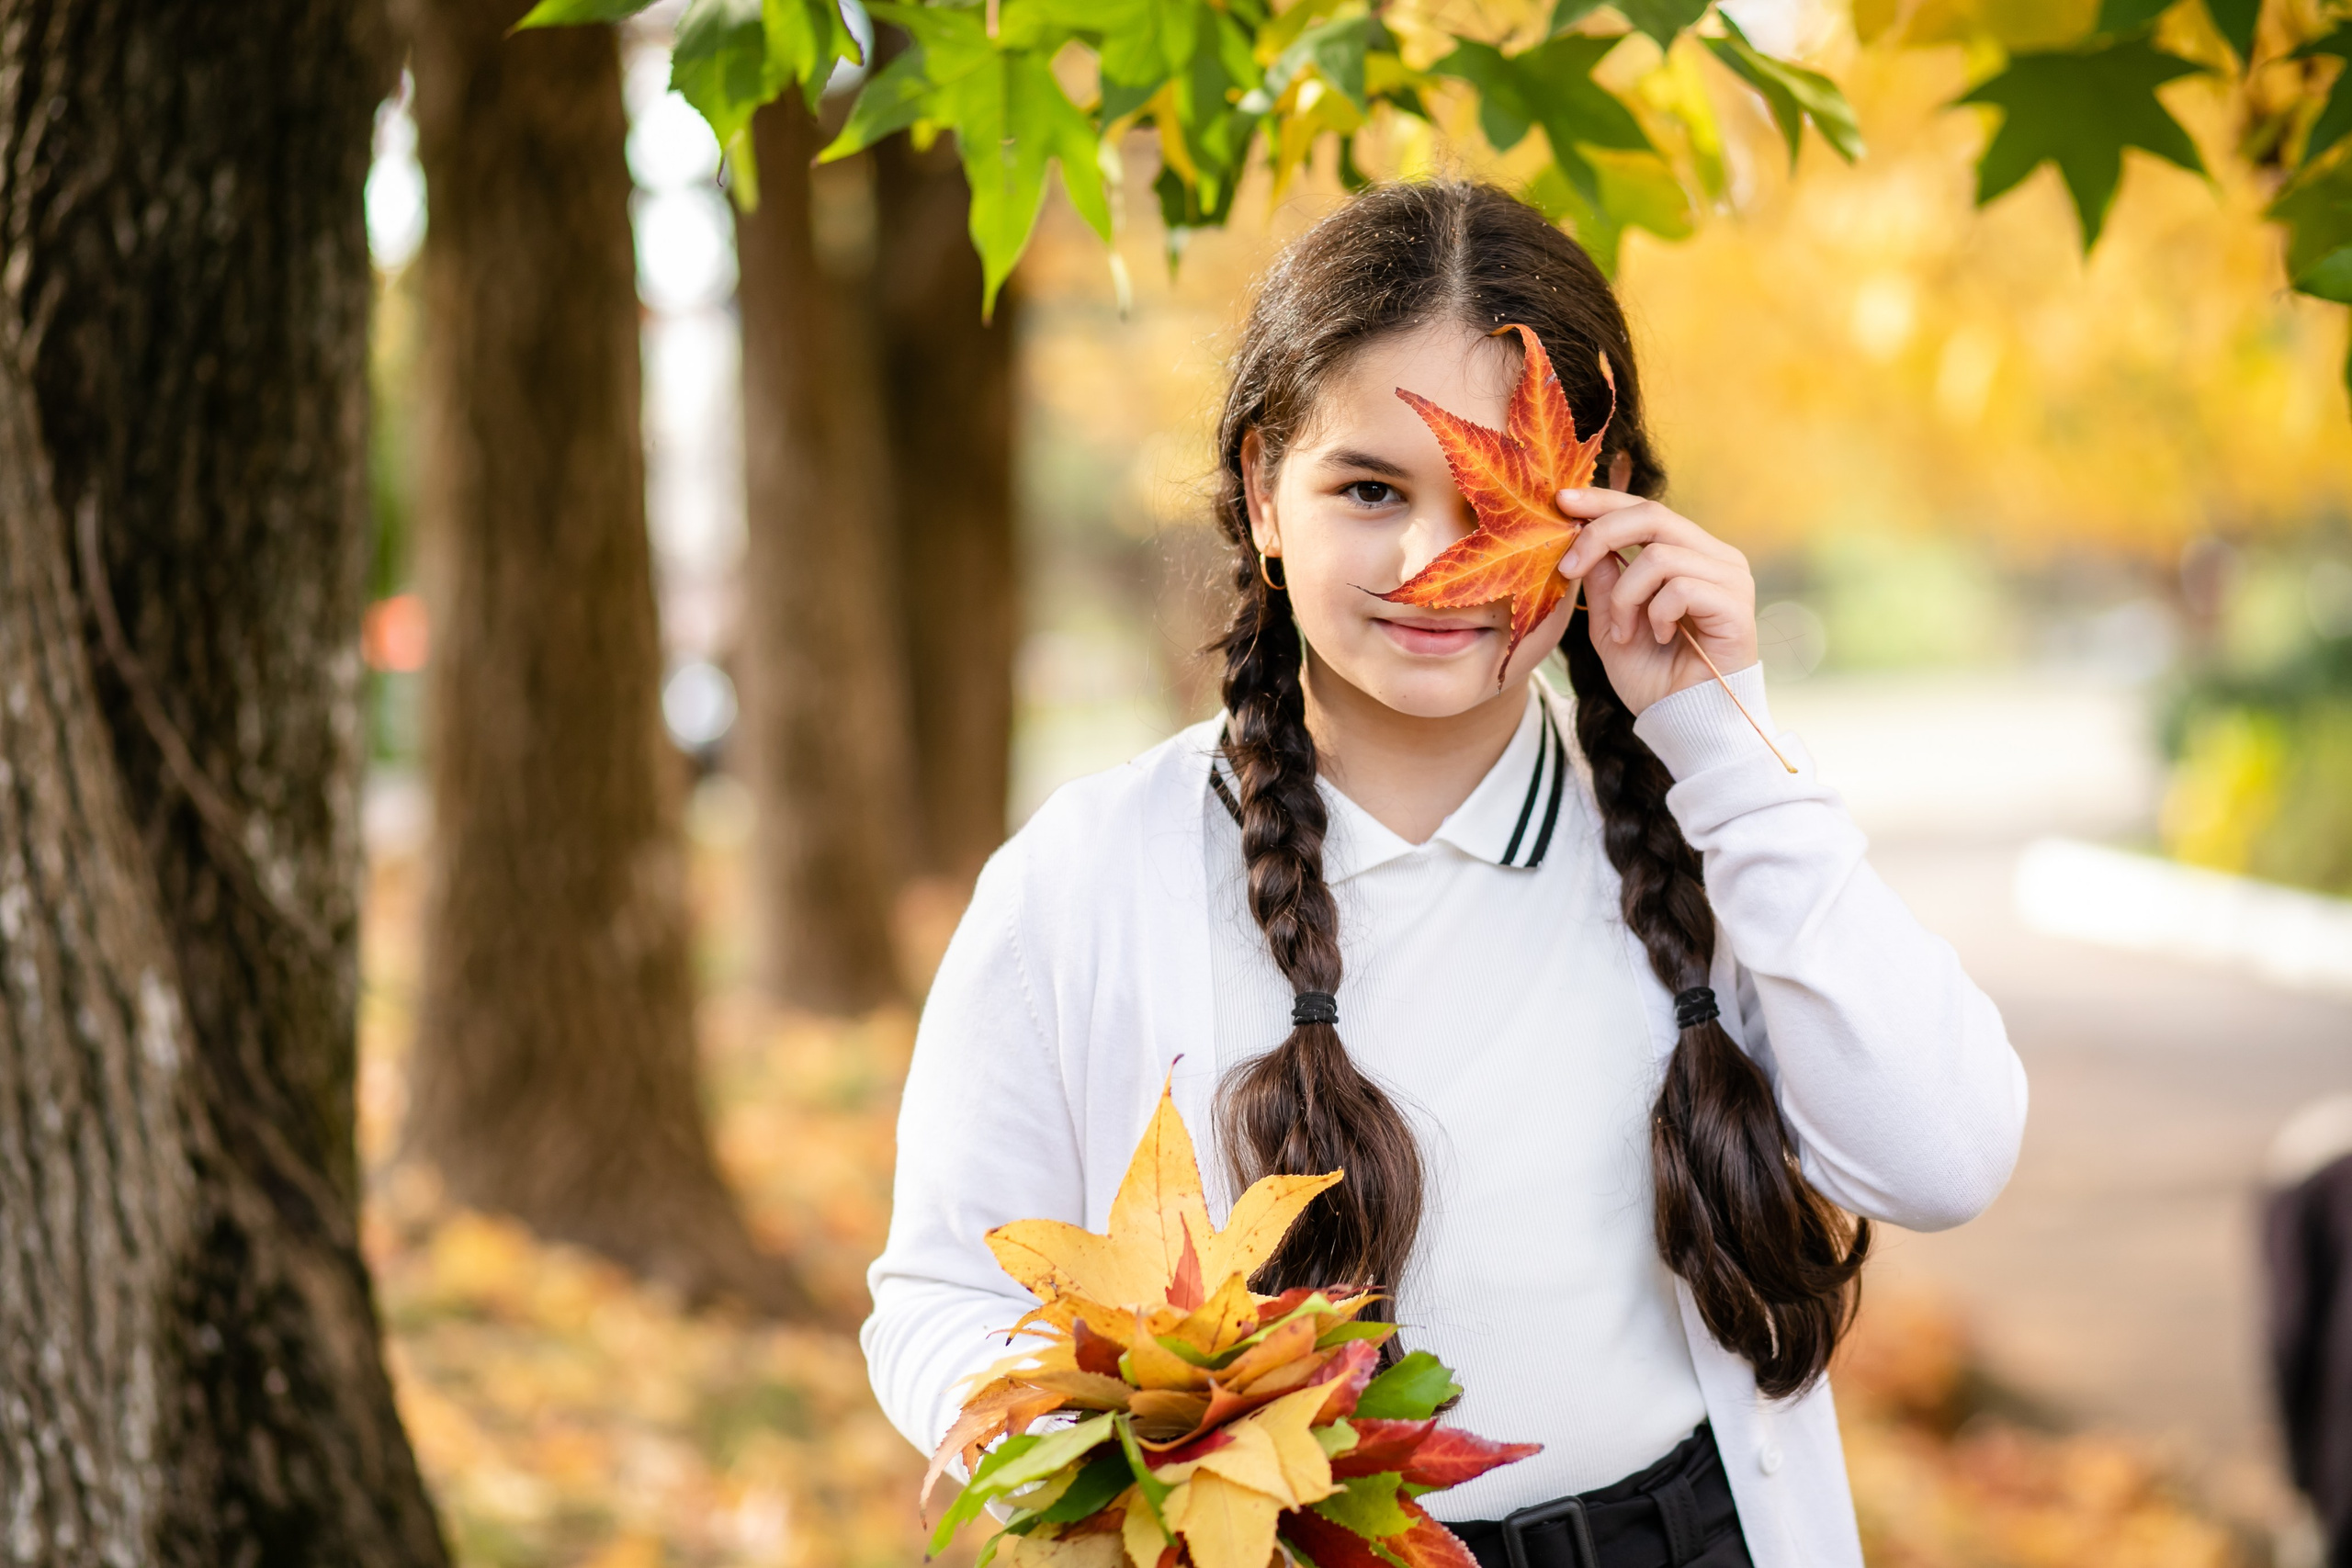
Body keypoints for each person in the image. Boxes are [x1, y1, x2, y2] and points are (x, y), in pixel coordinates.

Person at [861, 180, 2028, 1568]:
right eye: (1369, 488)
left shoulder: (1706, 841)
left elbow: (1945, 1153)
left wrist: (1723, 732)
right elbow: (940, 1283)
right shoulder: (1091, 876)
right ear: (1261, 490)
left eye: (1501, 502)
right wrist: (1060, 1458)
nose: (1436, 562)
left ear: (1602, 513)